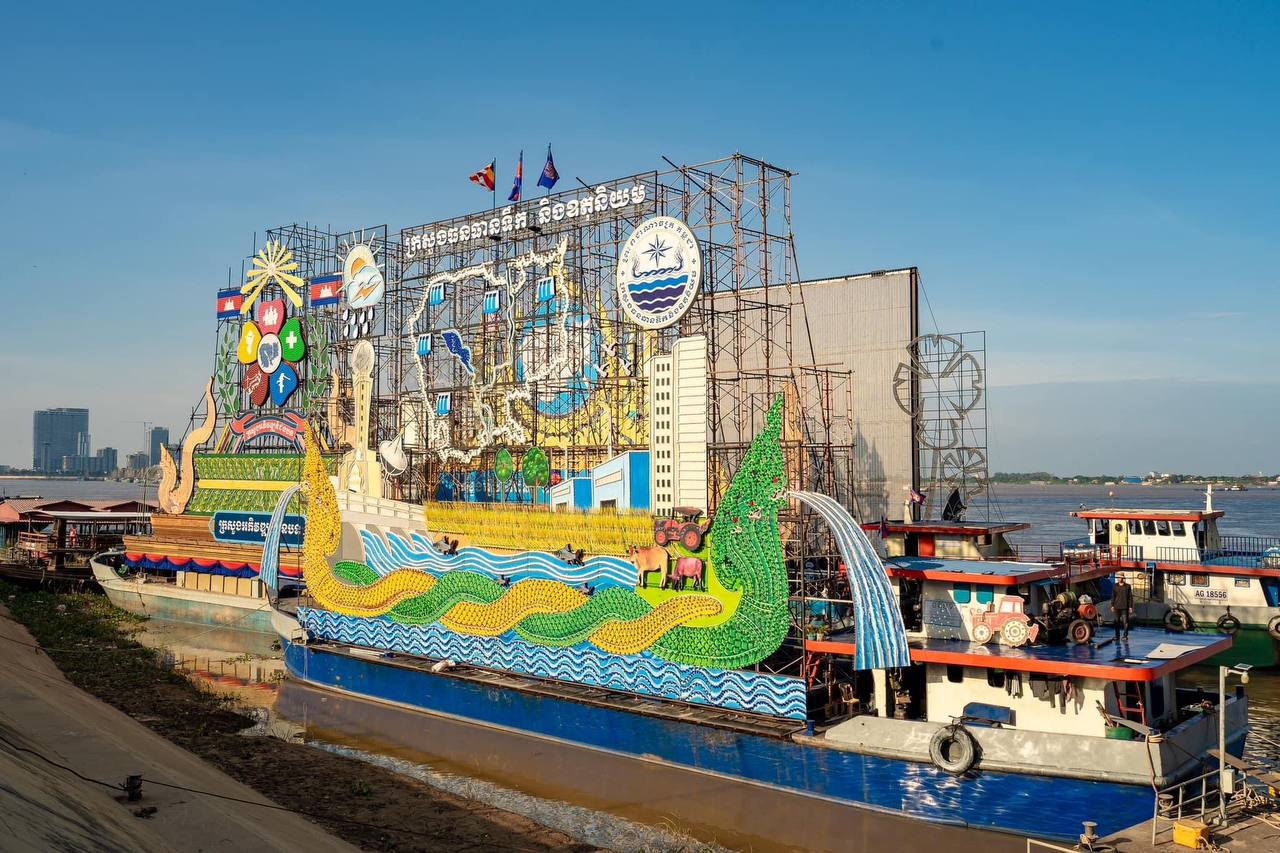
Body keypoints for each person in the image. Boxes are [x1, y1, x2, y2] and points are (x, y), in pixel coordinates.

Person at [1111, 575, 1133, 640]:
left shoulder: (1127, 586)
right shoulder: (1115, 586)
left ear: (1122, 578)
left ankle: (1125, 636)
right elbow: (1113, 596)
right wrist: (1112, 605)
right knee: (1116, 622)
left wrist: (1130, 607)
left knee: (1125, 622)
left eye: (1119, 577)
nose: (1118, 579)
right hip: (1116, 607)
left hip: (1125, 607)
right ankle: (1117, 636)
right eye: (1117, 577)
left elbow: (1130, 597)